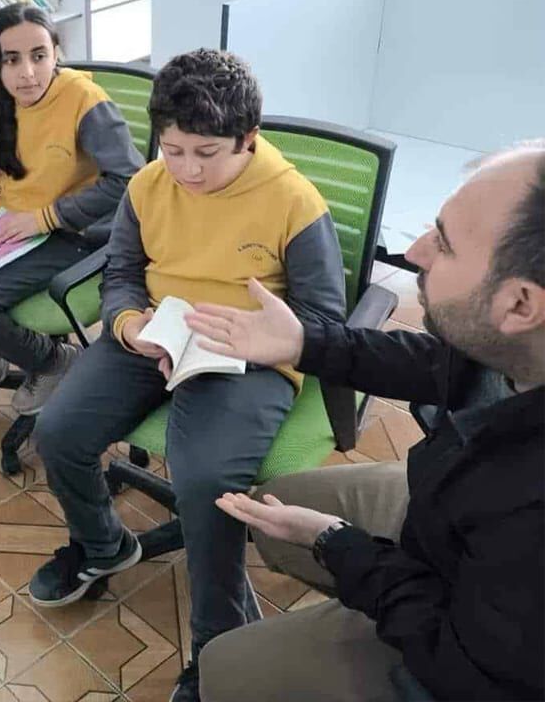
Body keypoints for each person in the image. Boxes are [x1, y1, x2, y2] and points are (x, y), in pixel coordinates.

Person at [31, 49, 347, 701]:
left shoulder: (293, 200)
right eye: (173, 150)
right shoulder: (149, 186)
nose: (188, 170)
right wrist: (130, 326)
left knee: (204, 482)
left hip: (250, 355)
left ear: (248, 139)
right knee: (57, 431)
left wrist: (250, 339)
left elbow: (322, 318)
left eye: (207, 153)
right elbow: (121, 274)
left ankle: (218, 647)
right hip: (156, 331)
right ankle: (101, 545)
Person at [194, 143, 545, 702]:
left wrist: (337, 544)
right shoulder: (512, 347)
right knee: (274, 509)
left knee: (224, 669)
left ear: (521, 305)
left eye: (444, 244)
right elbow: (439, 364)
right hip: (445, 508)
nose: (414, 250)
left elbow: (466, 670)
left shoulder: (529, 521)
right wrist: (305, 342)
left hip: (462, 650)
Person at [0, 3, 145, 416]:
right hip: (8, 224)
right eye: (12, 60)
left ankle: (54, 361)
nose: (28, 73)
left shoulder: (84, 99)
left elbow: (130, 179)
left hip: (73, 232)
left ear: (55, 53)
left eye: (39, 56)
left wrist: (44, 217)